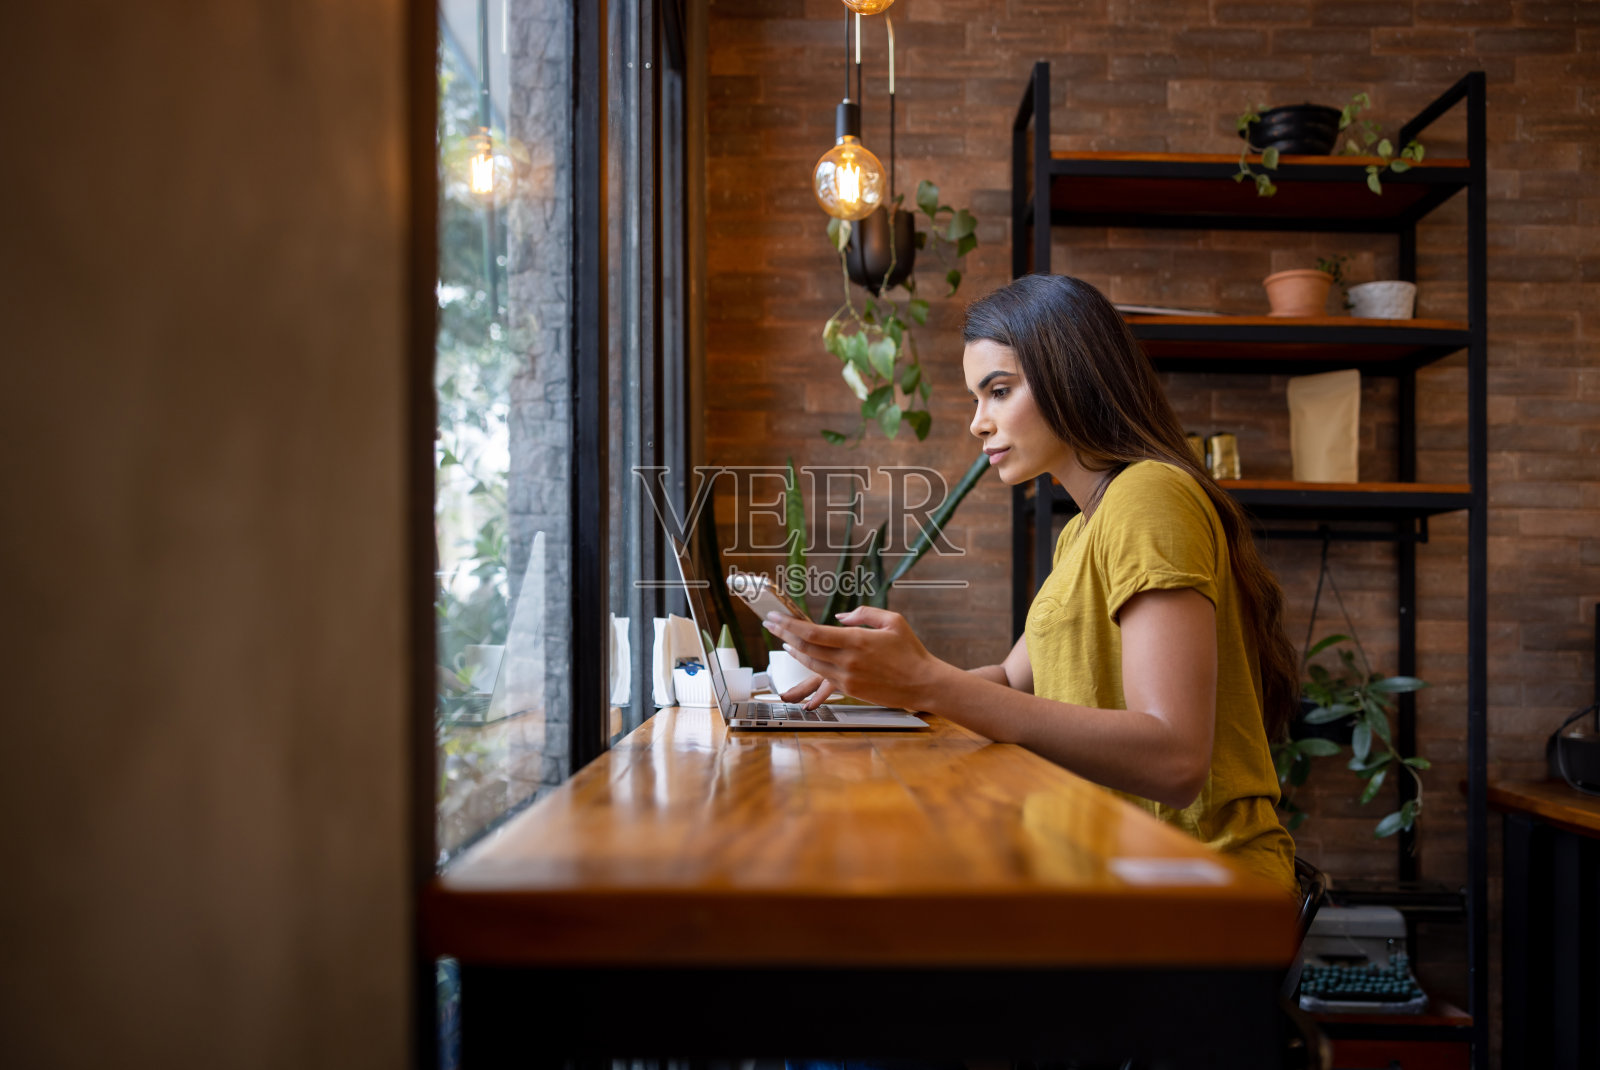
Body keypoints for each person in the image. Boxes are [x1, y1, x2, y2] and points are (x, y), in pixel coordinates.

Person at [765, 274, 1298, 897]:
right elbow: (1010, 680)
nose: (978, 423)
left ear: (1071, 375)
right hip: (1108, 867)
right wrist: (889, 684)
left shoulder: (1149, 497)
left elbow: (1175, 758)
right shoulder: (1082, 532)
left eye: (998, 391)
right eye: (976, 399)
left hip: (1193, 889)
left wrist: (927, 681)